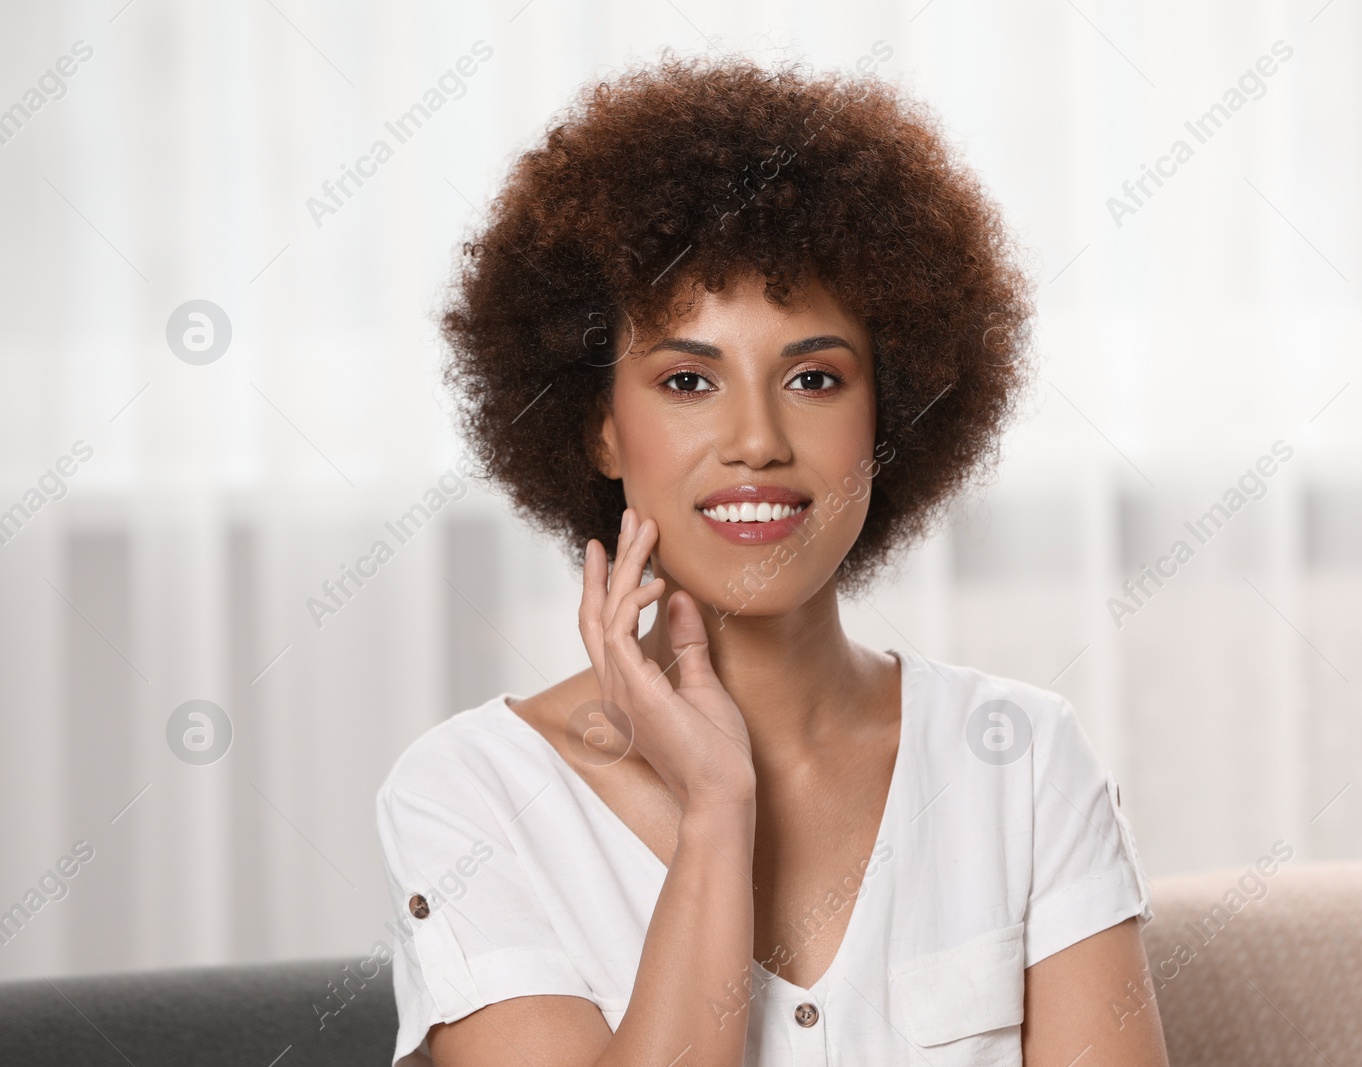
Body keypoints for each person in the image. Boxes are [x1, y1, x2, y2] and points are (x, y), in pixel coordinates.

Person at [376, 50, 1169, 1067]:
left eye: (811, 376)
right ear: (601, 431)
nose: (756, 438)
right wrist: (716, 812)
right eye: (687, 382)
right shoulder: (471, 793)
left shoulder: (1020, 759)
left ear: (888, 415)